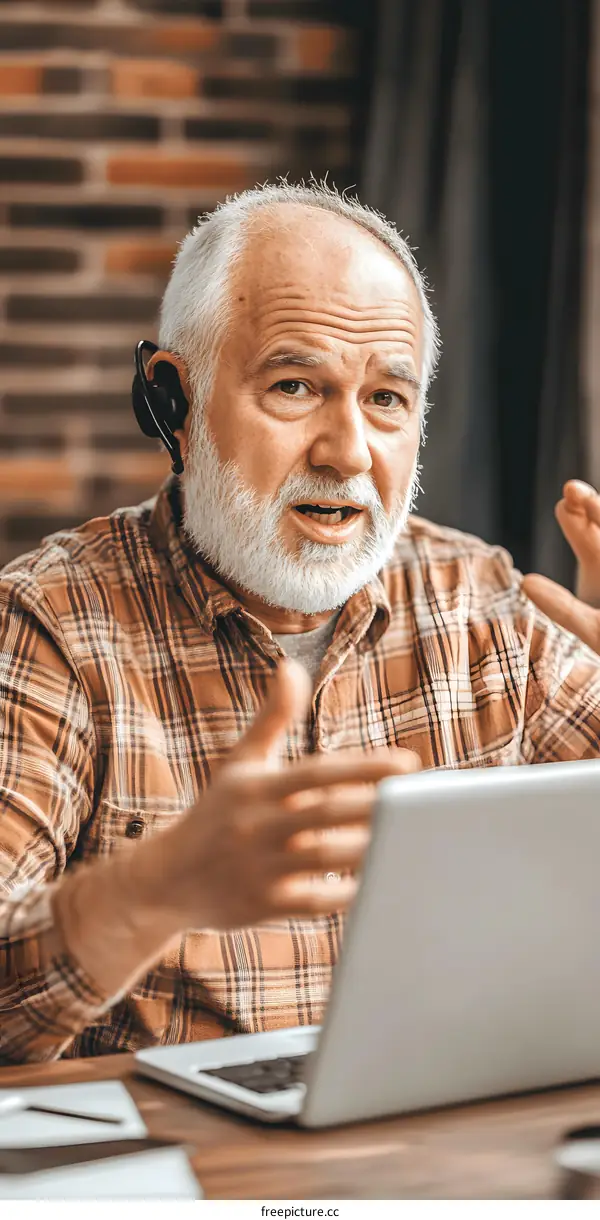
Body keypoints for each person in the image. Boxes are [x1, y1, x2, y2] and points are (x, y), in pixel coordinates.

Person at [1, 181, 600, 1066]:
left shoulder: (486, 606)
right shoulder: (49, 621)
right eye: (295, 385)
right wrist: (151, 890)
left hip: (447, 1162)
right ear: (173, 401)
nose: (349, 452)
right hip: (190, 1187)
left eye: (387, 400)